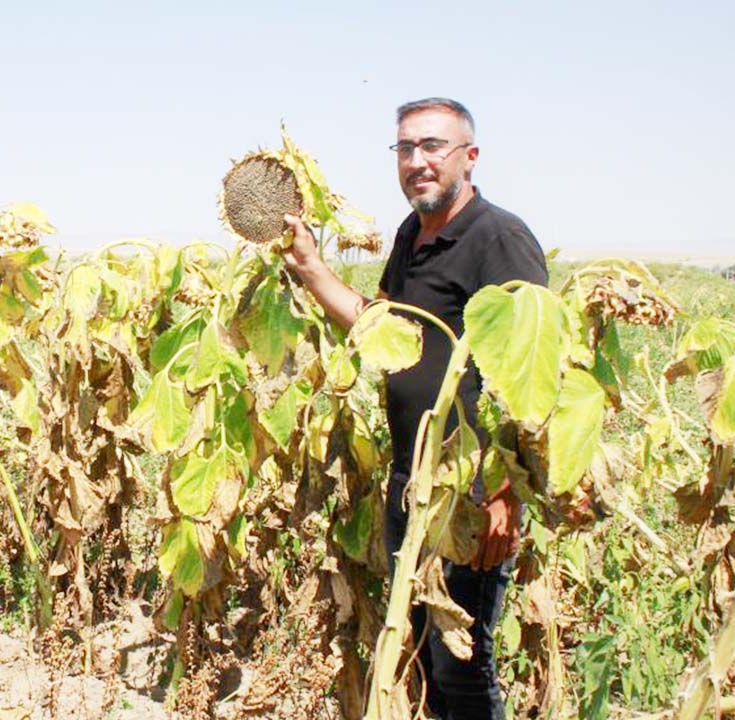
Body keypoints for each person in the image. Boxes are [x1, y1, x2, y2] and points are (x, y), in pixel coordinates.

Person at [283, 98, 547, 719]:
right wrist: (312, 269)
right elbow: (380, 329)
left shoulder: (499, 237)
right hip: (412, 482)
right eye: (405, 149)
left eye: (434, 147)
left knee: (462, 664)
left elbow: (537, 372)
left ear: (469, 157)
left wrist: (507, 493)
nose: (418, 162)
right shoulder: (412, 234)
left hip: (468, 489)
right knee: (422, 658)